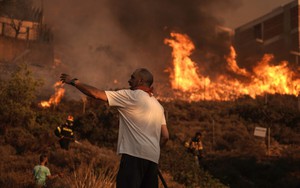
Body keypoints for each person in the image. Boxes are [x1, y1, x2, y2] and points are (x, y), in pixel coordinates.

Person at [60, 68, 169, 188]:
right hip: (152, 159)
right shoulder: (158, 106)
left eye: (132, 77)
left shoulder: (131, 96)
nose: (129, 80)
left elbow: (96, 94)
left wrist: (75, 82)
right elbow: (165, 136)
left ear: (140, 80)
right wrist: (152, 152)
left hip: (134, 155)